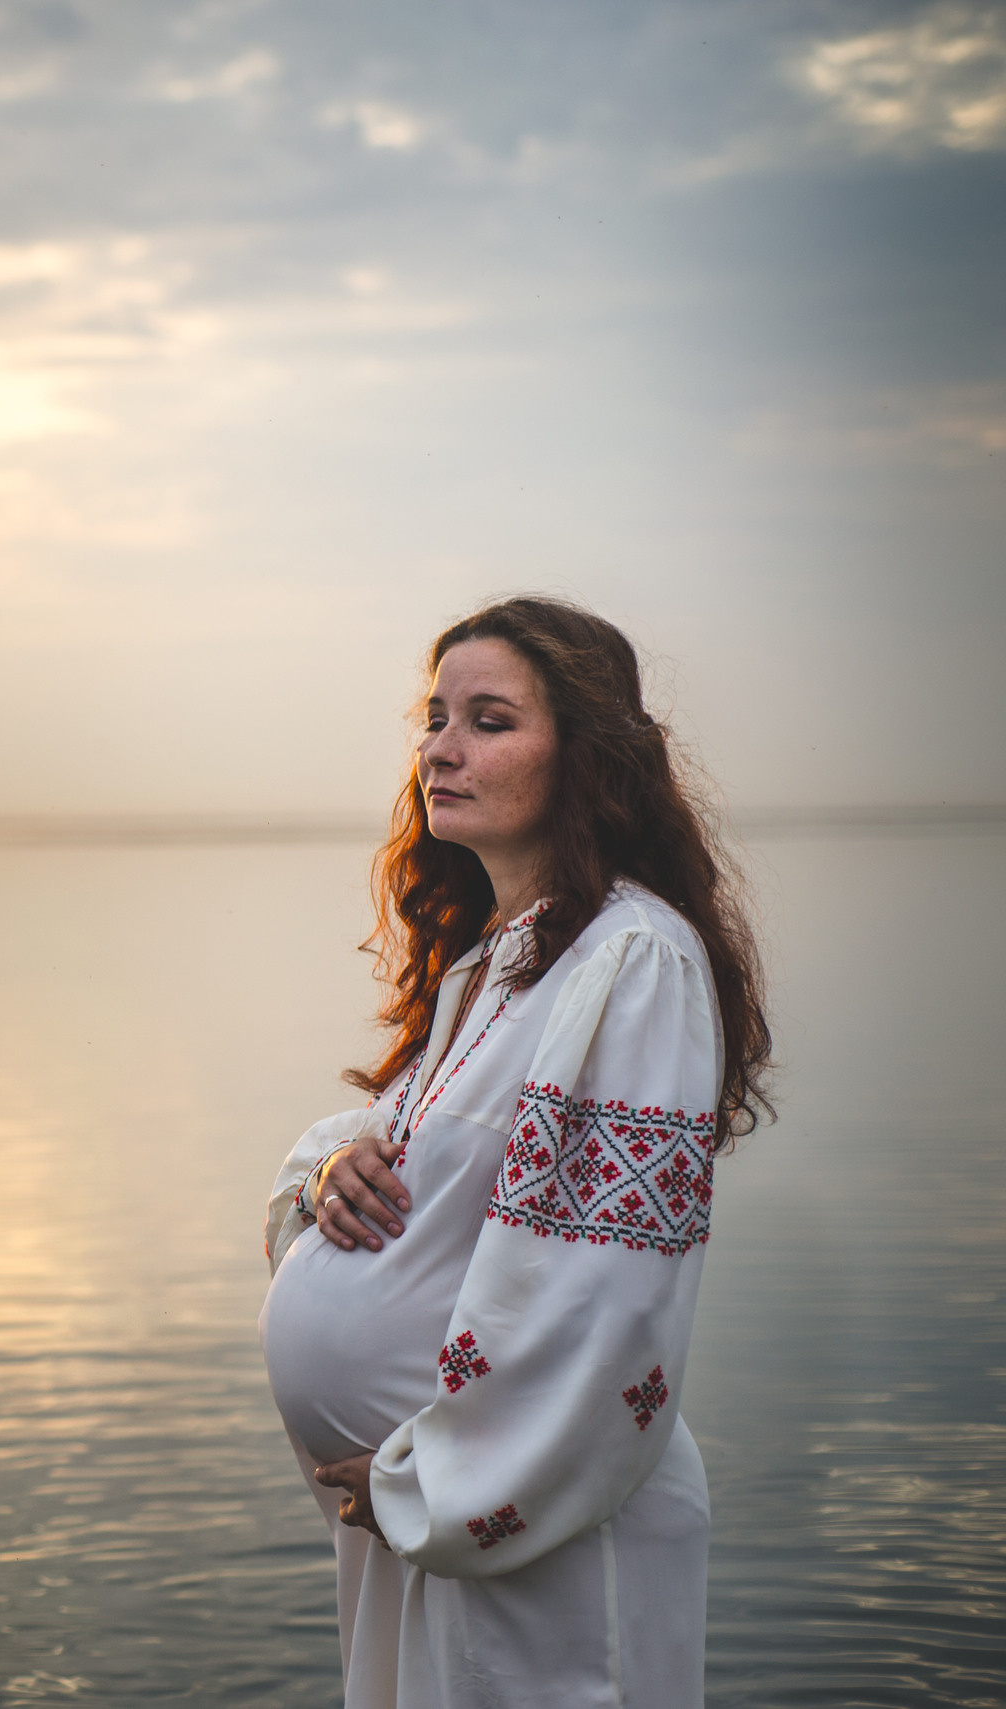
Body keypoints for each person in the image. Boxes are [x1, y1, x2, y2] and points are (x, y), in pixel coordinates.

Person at [257, 596, 772, 1708]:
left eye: (489, 721)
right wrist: (326, 1175)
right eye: (435, 718)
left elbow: (607, 1287)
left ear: (584, 757)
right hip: (417, 1524)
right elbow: (414, 1149)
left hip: (528, 1538)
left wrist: (442, 1485)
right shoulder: (500, 960)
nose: (441, 748)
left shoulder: (633, 957)